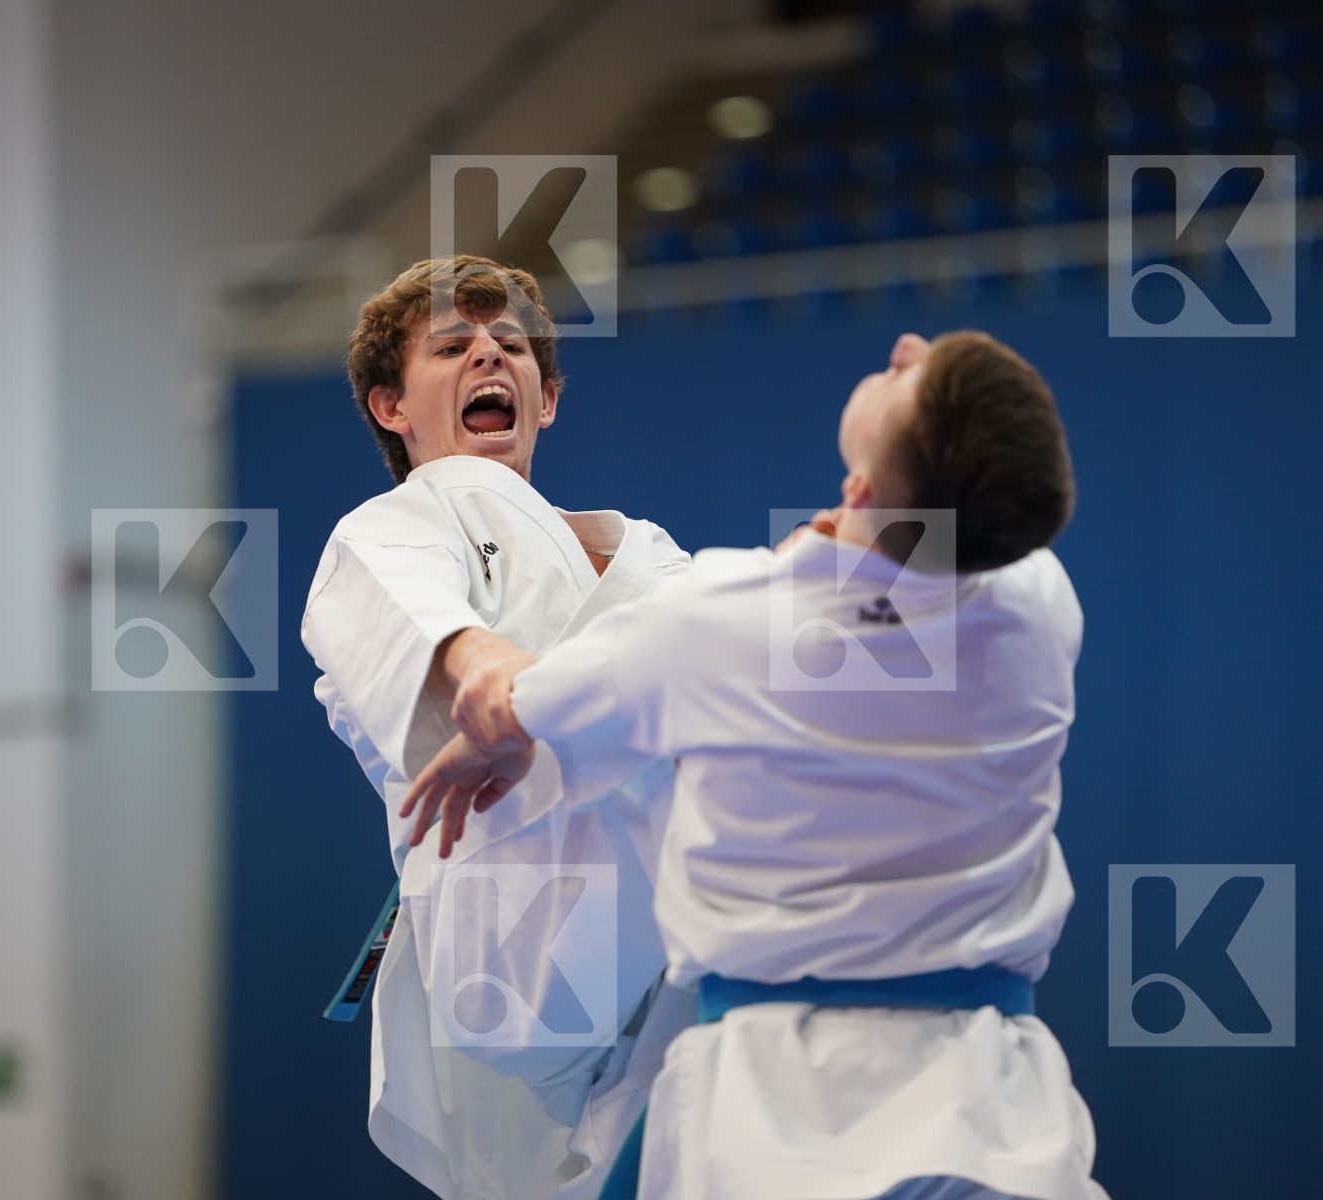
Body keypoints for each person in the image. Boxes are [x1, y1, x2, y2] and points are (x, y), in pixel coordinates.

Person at [402, 331, 1109, 1199]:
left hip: (774, 1128)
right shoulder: (1040, 607)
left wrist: (487, 700)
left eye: (904, 376)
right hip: (1002, 1121)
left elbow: (508, 704)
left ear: (859, 487)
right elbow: (897, 585)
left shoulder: (724, 622)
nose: (904, 342)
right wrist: (840, 543)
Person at [301, 255, 696, 1199]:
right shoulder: (390, 528)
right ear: (391, 408)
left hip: (661, 953)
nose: (490, 354)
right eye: (453, 346)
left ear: (546, 399)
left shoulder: (648, 554)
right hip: (515, 937)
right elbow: (432, 630)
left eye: (511, 344)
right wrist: (503, 688)